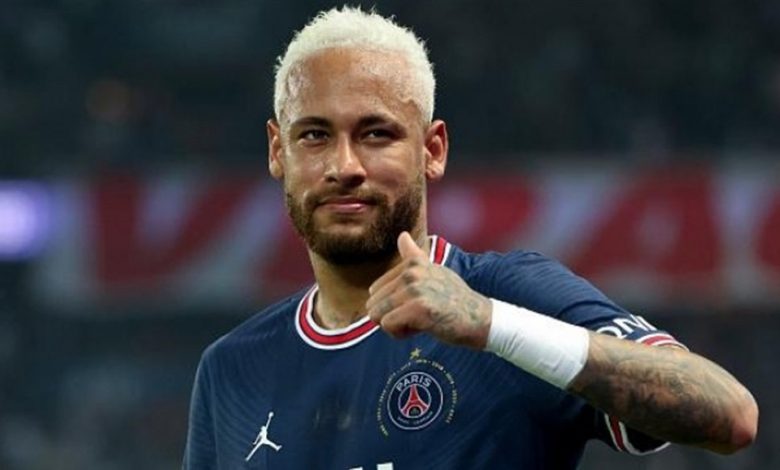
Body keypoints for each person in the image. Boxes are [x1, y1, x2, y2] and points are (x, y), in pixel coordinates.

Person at [182, 6, 758, 469]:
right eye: (314, 136)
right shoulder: (230, 369)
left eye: (376, 134)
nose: (344, 166)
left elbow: (729, 415)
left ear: (432, 150)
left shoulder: (505, 294)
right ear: (277, 151)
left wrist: (490, 324)